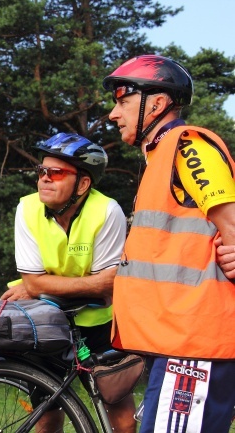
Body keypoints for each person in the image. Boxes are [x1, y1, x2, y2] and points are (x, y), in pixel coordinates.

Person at [104, 54, 235, 433]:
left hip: (195, 345)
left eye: (122, 101)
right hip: (180, 342)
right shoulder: (160, 156)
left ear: (157, 103)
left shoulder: (187, 145)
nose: (114, 114)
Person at [1, 133, 135, 433]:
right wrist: (39, 286)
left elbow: (109, 286)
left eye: (56, 172)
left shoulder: (107, 211)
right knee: (47, 418)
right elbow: (35, 283)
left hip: (100, 326)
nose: (44, 179)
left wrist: (39, 285)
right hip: (47, 321)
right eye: (42, 171)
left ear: (83, 184)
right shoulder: (27, 209)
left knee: (123, 419)